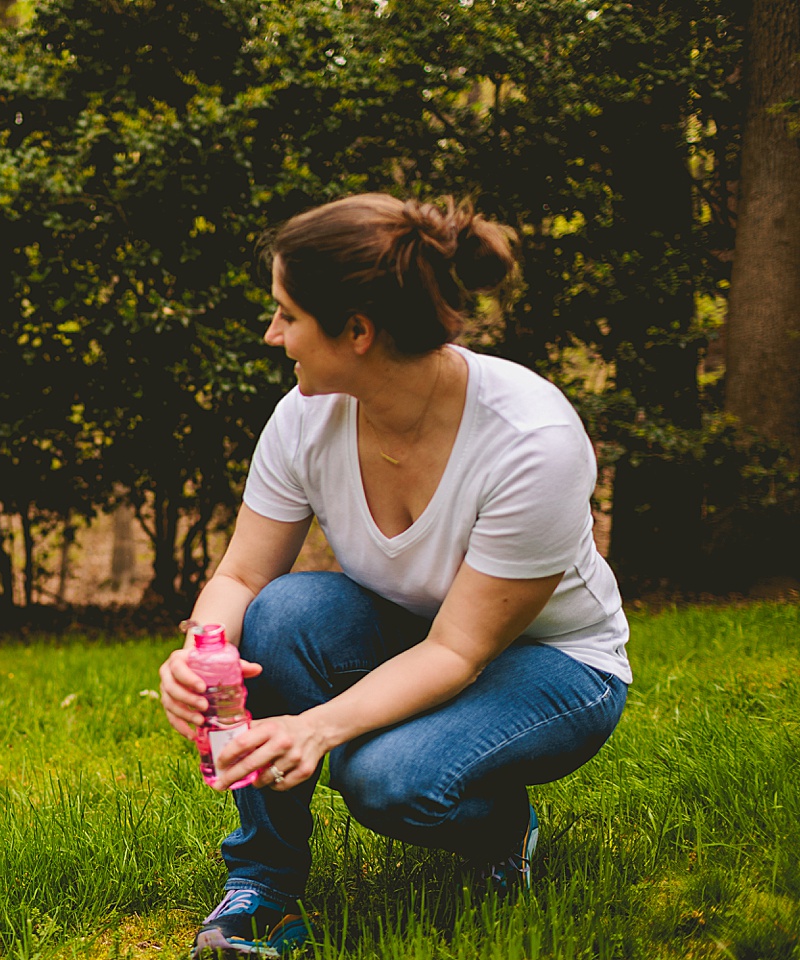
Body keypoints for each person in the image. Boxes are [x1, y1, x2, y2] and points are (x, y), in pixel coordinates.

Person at [158, 194, 630, 958]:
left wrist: (317, 727)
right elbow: (242, 574)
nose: (272, 333)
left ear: (357, 331)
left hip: (557, 668)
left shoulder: (532, 442)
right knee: (277, 615)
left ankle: (505, 829)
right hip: (418, 634)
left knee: (385, 778)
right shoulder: (306, 417)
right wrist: (202, 652)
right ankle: (264, 889)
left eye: (287, 315)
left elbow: (459, 651)